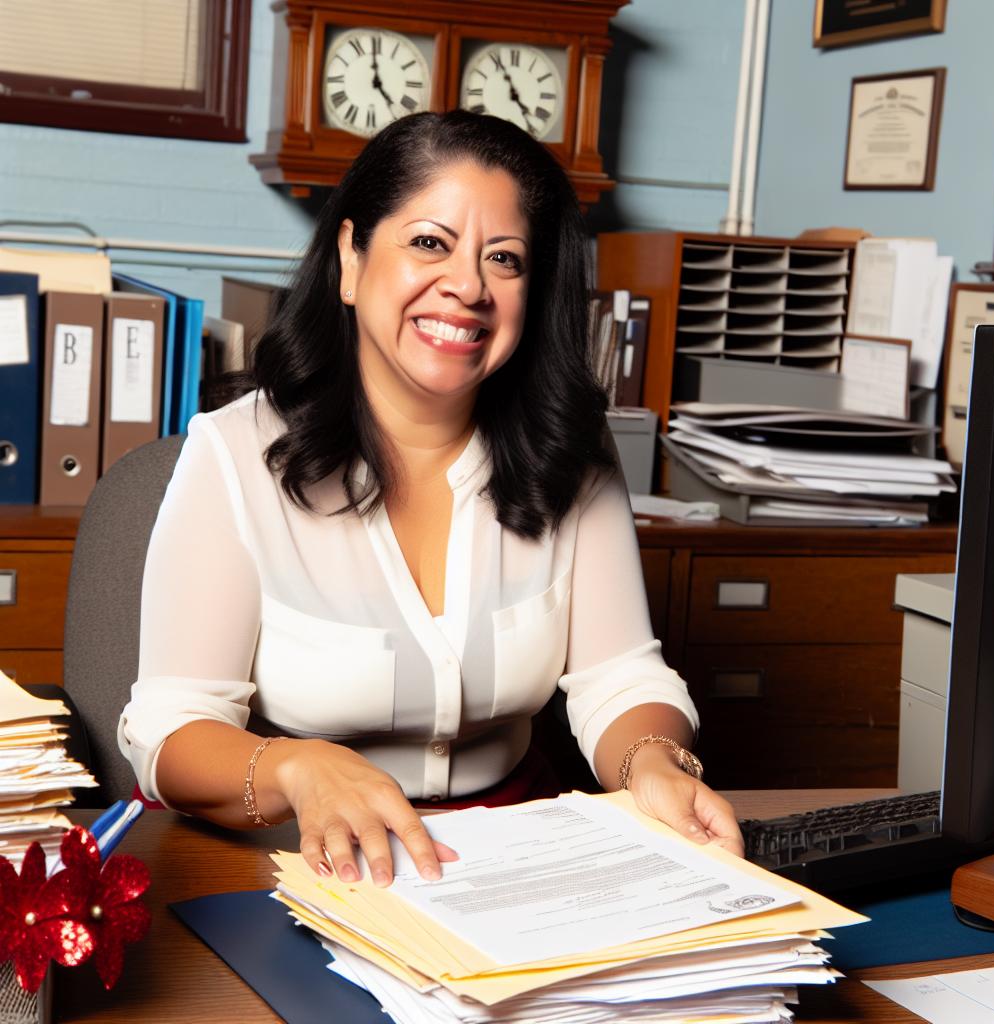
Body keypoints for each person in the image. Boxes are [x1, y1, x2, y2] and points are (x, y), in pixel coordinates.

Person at [117, 110, 743, 888]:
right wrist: (299, 770)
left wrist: (653, 762)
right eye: (428, 243)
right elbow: (170, 729)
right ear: (351, 258)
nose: (468, 287)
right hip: (293, 859)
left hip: (516, 857)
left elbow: (620, 678)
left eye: (505, 259)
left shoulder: (571, 453)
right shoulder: (233, 453)